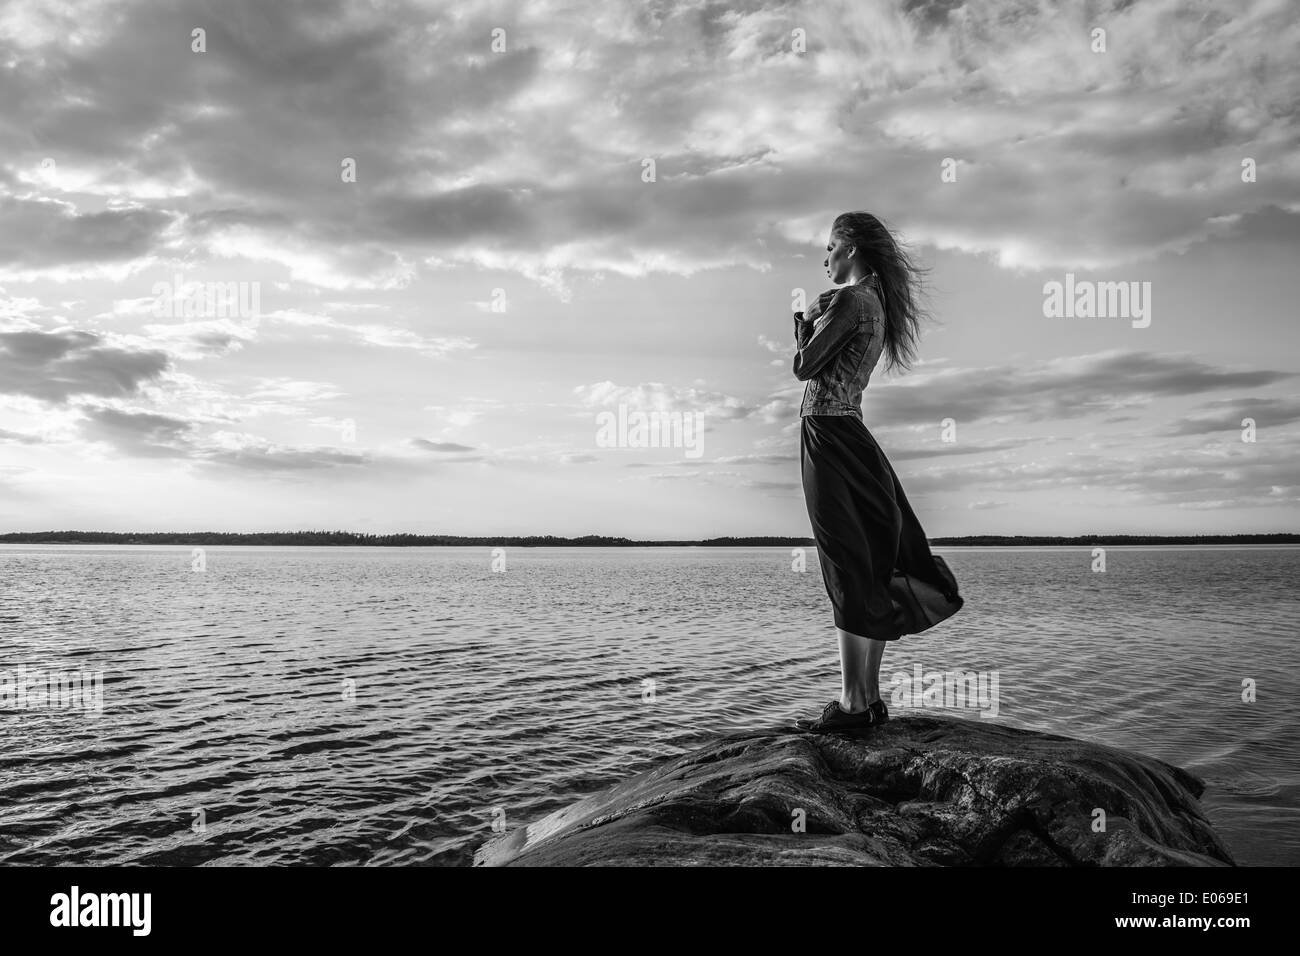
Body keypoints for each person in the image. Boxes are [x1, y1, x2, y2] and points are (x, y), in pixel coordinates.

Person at [791, 212, 964, 733]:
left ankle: (852, 704)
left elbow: (804, 367)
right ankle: (866, 698)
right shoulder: (877, 306)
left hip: (827, 433)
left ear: (850, 249)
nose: (824, 259)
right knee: (868, 562)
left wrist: (802, 326)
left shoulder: (848, 301)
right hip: (855, 436)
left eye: (829, 248)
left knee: (845, 564)